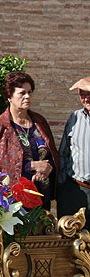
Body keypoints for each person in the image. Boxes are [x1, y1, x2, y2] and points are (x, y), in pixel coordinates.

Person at [0, 71, 59, 210]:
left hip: (41, 196)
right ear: (9, 96)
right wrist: (31, 166)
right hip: (12, 201)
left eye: (30, 92)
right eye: (22, 93)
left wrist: (47, 168)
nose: (27, 96)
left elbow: (52, 155)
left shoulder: (40, 122)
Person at [57, 76, 90, 228]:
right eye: (82, 94)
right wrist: (63, 187)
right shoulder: (74, 118)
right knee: (72, 242)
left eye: (89, 94)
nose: (86, 99)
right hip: (76, 190)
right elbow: (63, 153)